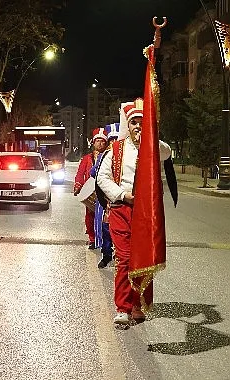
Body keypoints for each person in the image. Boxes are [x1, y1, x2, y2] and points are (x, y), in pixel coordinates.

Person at [96, 99, 172, 325]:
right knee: (126, 258)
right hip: (122, 208)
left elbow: (167, 152)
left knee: (143, 258)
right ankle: (123, 306)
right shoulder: (116, 150)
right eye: (134, 123)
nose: (138, 127)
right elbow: (102, 177)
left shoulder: (154, 147)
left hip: (146, 213)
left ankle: (139, 303)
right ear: (127, 126)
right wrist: (121, 195)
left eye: (142, 123)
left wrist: (150, 136)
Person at [90, 125, 118, 269]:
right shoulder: (103, 155)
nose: (113, 142)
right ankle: (106, 255)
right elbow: (93, 173)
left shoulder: (127, 155)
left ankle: (121, 257)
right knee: (106, 228)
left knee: (122, 230)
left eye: (116, 139)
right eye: (111, 139)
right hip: (107, 199)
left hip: (122, 199)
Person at [74, 129, 104, 249]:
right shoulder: (87, 158)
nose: (100, 143)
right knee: (90, 216)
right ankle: (92, 238)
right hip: (91, 192)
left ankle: (104, 239)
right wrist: (78, 185)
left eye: (102, 141)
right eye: (98, 141)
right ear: (93, 142)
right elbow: (80, 173)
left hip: (105, 191)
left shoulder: (109, 156)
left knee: (105, 217)